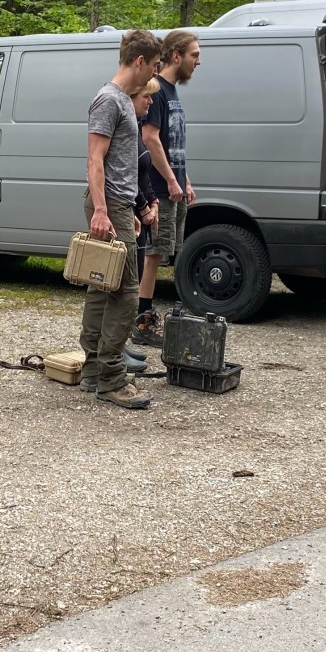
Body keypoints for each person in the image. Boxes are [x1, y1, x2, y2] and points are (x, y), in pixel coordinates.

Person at [79, 29, 162, 408]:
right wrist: (102, 210)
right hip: (107, 204)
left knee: (102, 286)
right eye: (155, 65)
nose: (155, 73)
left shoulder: (126, 102)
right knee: (126, 293)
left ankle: (93, 369)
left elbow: (122, 163)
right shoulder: (109, 100)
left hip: (118, 205)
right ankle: (112, 378)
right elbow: (95, 159)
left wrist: (131, 208)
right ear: (139, 61)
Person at [133, 29, 201, 346]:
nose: (198, 62)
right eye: (194, 55)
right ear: (177, 56)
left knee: (162, 252)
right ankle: (142, 319)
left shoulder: (172, 91)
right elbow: (150, 138)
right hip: (160, 187)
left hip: (173, 184)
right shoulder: (157, 90)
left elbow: (173, 144)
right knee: (153, 252)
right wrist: (171, 180)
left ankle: (144, 314)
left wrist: (184, 178)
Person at [121, 79, 162, 374]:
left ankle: (120, 343)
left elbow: (143, 173)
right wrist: (143, 207)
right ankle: (113, 347)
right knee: (121, 285)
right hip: (127, 211)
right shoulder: (126, 130)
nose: (150, 102)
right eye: (147, 97)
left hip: (140, 211)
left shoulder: (136, 126)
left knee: (130, 283)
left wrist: (154, 201)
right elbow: (126, 174)